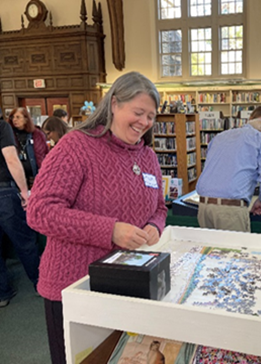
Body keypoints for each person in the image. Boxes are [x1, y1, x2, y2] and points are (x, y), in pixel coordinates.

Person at [27, 71, 168, 363]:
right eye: (138, 112)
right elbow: (40, 211)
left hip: (128, 285)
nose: (144, 123)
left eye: (151, 116)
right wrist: (111, 230)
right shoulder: (76, 146)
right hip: (76, 285)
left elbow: (160, 208)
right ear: (114, 104)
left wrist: (155, 225)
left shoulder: (148, 157)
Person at [196, 118, 261, 233]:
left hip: (204, 206)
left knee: (209, 250)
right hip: (230, 209)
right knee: (235, 250)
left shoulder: (219, 137)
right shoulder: (260, 138)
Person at [0, 118, 40, 308]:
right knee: (24, 241)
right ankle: (40, 284)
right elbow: (11, 159)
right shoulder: (2, 127)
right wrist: (24, 192)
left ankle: (2, 293)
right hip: (4, 192)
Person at [8, 107, 48, 189]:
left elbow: (45, 153)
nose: (14, 120)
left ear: (26, 119)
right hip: (16, 178)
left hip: (36, 176)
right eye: (13, 117)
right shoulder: (9, 135)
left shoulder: (37, 134)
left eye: (18, 117)